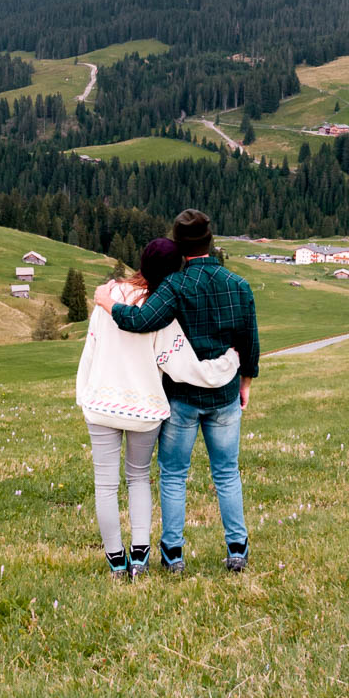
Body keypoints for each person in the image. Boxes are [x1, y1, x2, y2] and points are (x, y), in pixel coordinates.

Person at [94, 209, 259, 574]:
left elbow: (140, 321)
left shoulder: (175, 286)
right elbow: (250, 341)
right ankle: (237, 548)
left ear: (181, 248)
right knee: (227, 472)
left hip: (183, 397)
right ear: (210, 242)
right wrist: (245, 384)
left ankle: (174, 554)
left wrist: (108, 302)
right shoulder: (239, 285)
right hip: (226, 394)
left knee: (173, 474)